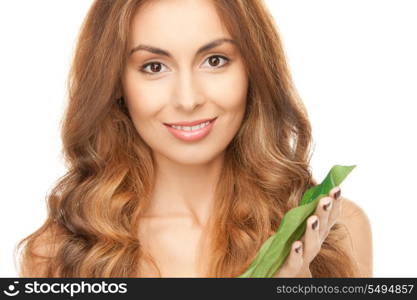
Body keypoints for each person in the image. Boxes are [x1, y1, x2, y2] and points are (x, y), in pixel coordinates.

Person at [15, 0, 372, 278]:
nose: (188, 100)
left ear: (253, 70)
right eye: (154, 66)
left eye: (215, 60)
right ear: (116, 85)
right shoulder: (58, 252)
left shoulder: (339, 232)